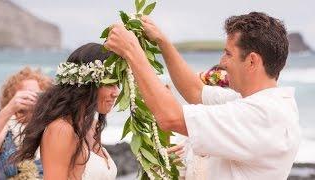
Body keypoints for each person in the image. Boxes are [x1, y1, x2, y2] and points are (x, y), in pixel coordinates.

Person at [104, 12, 301, 179]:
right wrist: (162, 42)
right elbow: (196, 91)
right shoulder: (253, 102)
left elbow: (170, 118)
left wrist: (131, 50)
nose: (222, 62)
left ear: (252, 62)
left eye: (228, 54)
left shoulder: (263, 115)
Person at [13, 43, 119, 180]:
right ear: (87, 84)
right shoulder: (60, 130)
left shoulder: (92, 126)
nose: (116, 92)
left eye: (118, 84)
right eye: (110, 83)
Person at [0, 67, 52, 179]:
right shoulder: (6, 124)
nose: (31, 97)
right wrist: (9, 109)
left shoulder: (49, 127)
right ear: (12, 97)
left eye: (36, 93)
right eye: (26, 93)